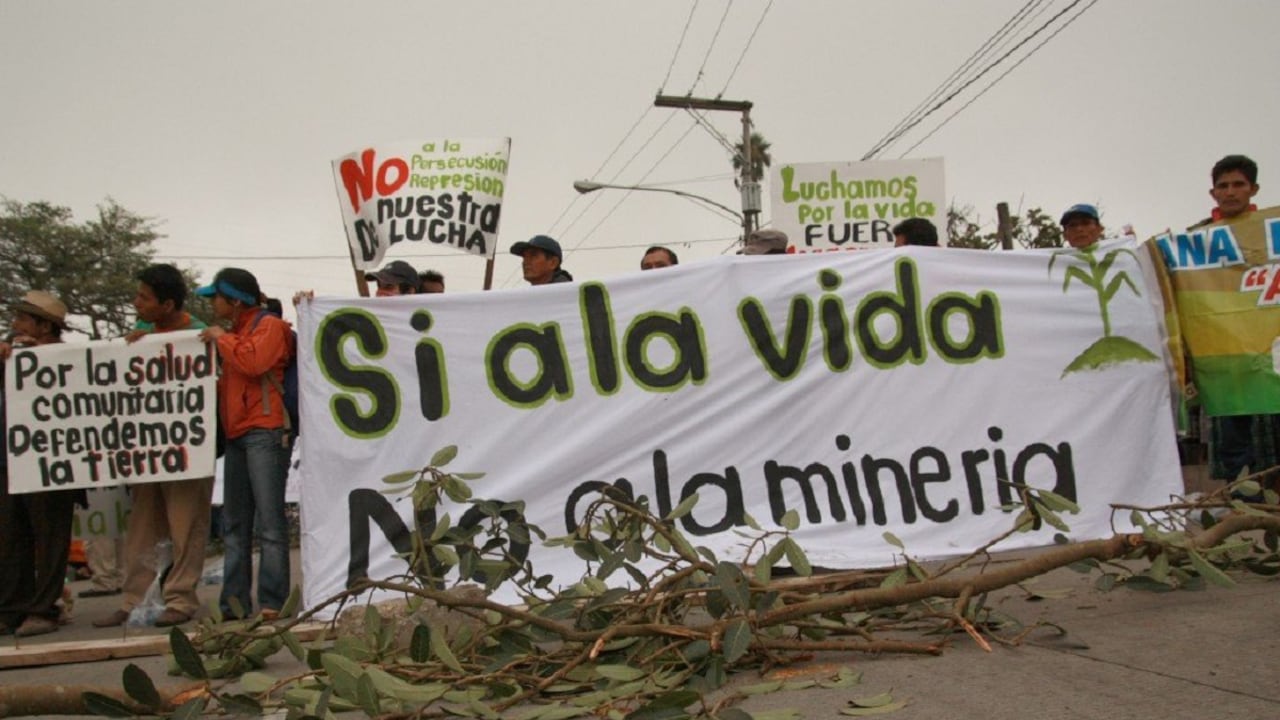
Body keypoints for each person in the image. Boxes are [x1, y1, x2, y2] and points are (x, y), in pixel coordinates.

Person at [94, 264, 213, 628]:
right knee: (142, 529)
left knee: (185, 526)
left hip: (187, 451)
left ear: (168, 304)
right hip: (147, 452)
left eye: (144, 298)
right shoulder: (141, 335)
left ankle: (180, 598)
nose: (137, 303)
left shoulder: (199, 336)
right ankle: (134, 599)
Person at [195, 268, 293, 620]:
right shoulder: (235, 332)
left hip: (265, 430)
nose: (212, 304)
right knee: (235, 524)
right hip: (238, 433)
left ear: (235, 301)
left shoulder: (271, 327)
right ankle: (234, 605)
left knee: (269, 522)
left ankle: (272, 602)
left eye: (216, 298)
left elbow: (254, 362)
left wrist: (221, 338)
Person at [1192, 155, 1276, 494]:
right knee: (1235, 444)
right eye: (1223, 186)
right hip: (1224, 360)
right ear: (1213, 193)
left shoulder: (1272, 232)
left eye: (1238, 184)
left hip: (1269, 356)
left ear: (1253, 189)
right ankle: (1242, 506)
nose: (1230, 192)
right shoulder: (1196, 240)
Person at [0, 290, 82, 637]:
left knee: (49, 537)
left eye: (22, 319)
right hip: (8, 458)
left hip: (50, 461)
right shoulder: (10, 356)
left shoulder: (68, 358)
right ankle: (11, 608)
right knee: (10, 536)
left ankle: (44, 609)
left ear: (44, 326)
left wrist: (43, 358)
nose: (15, 324)